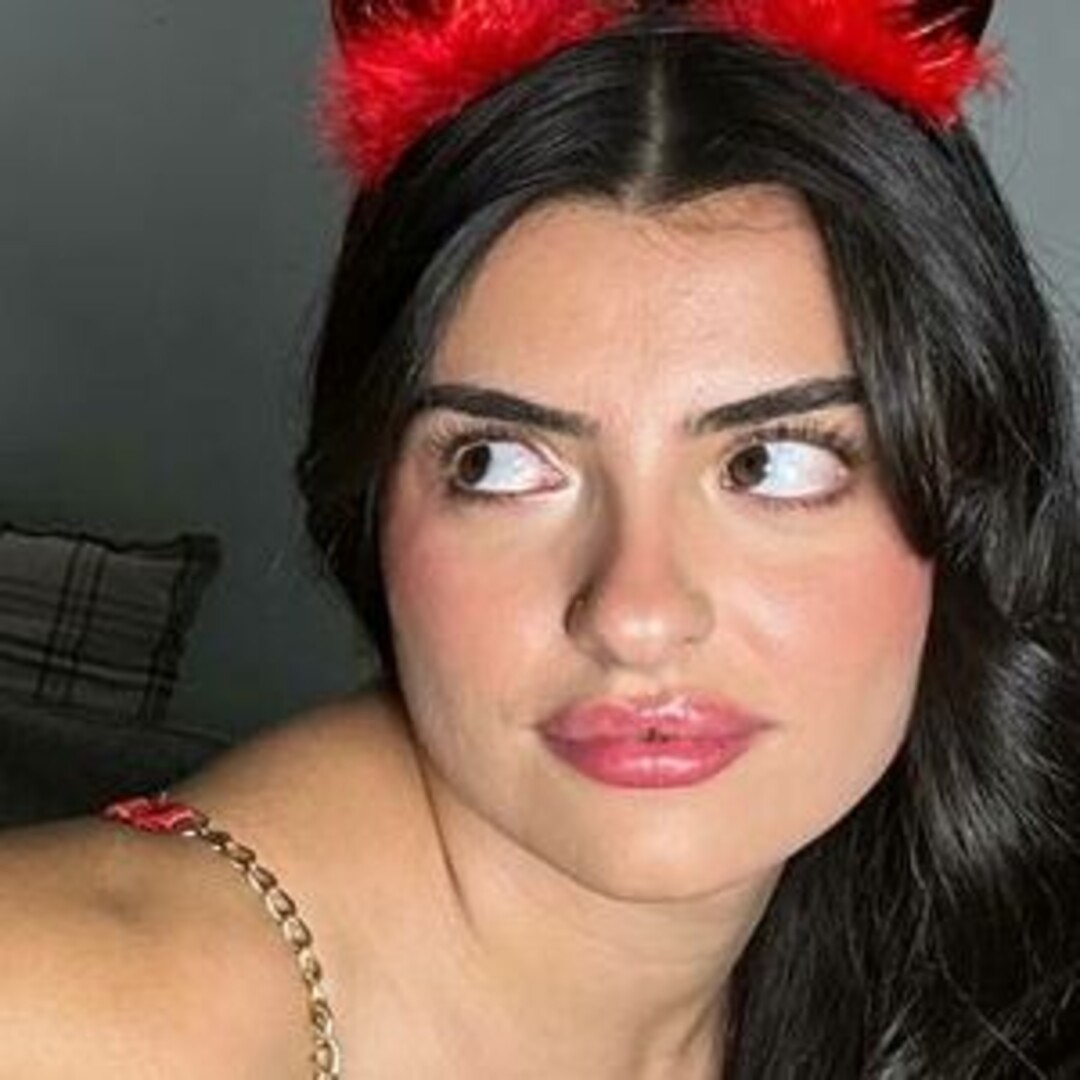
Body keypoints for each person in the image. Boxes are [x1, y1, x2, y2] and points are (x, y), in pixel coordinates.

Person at [2, 1, 1078, 1076]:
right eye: (500, 462)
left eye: (773, 464)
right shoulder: (76, 1013)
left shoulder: (951, 933)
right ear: (372, 502)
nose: (636, 614)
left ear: (966, 494)